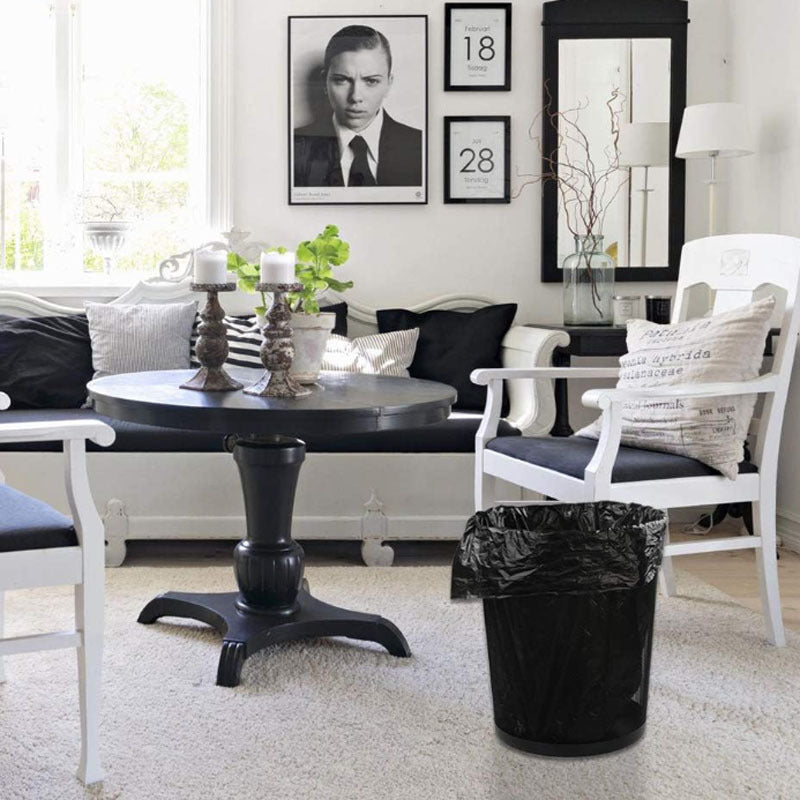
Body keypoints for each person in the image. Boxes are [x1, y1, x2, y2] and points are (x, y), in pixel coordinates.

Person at [293, 25, 423, 188]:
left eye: (371, 81)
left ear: (389, 84)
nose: (355, 97)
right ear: (325, 82)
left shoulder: (421, 146)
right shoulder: (292, 147)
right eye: (341, 80)